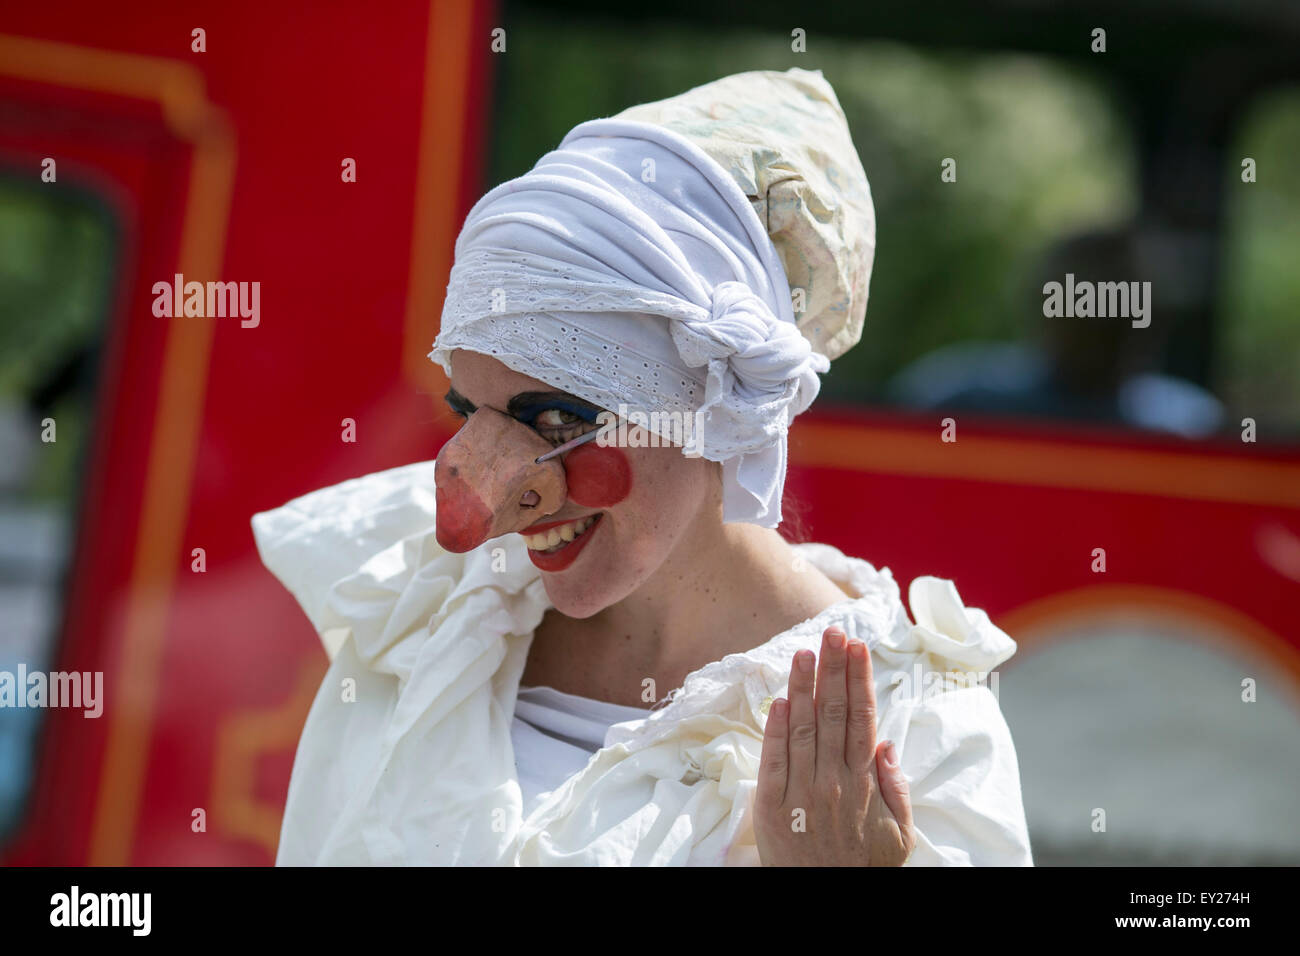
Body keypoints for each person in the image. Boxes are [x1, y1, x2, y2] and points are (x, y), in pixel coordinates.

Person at [252, 68, 1033, 866]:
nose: (487, 503)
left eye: (557, 418)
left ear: (715, 406)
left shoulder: (921, 729)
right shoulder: (419, 613)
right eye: (469, 414)